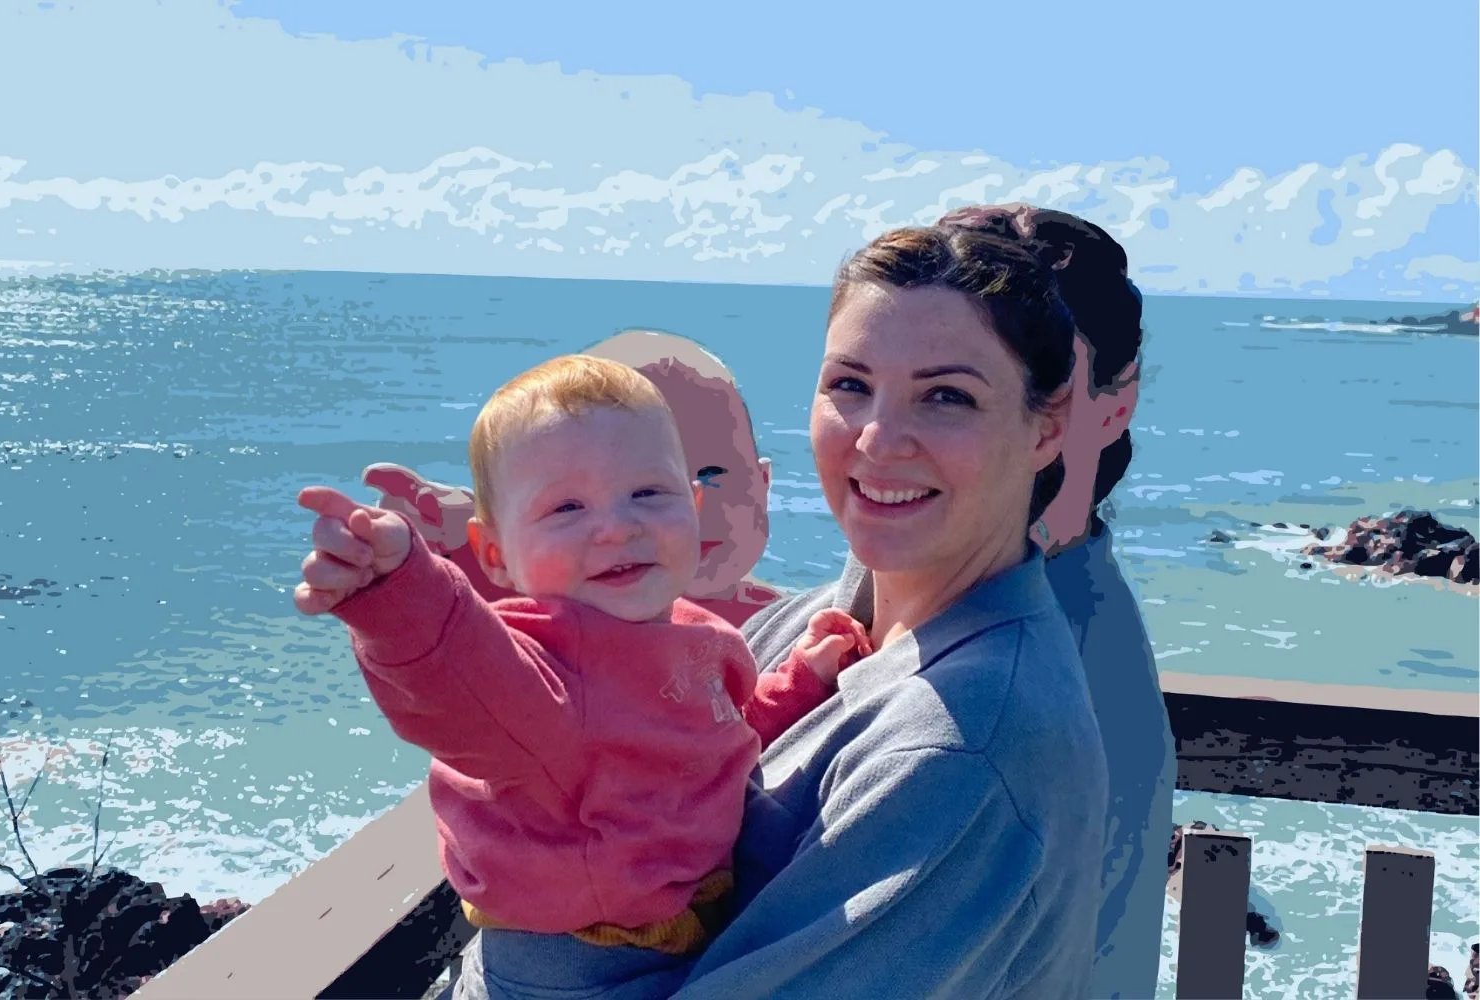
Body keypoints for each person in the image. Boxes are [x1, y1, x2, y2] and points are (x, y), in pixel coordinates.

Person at [459, 224, 1112, 999]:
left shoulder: (965, 747)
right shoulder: (827, 625)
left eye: (947, 396)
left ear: (1048, 423)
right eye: (850, 385)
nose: (877, 438)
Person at [293, 355, 870, 1000]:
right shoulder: (539, 667)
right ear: (496, 555)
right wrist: (398, 590)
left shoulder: (690, 632)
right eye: (566, 507)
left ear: (694, 503)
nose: (618, 526)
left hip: (673, 923)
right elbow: (454, 682)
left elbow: (709, 737)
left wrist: (803, 676)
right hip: (578, 968)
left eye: (648, 493)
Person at [940, 203, 1177, 1000]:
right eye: (950, 384)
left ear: (1118, 402)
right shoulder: (969, 586)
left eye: (1054, 382)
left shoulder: (1043, 662)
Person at [363, 329, 780, 627]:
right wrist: (429, 552)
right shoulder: (564, 600)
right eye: (573, 504)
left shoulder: (788, 622)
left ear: (763, 484)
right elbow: (458, 624)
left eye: (712, 475)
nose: (640, 518)